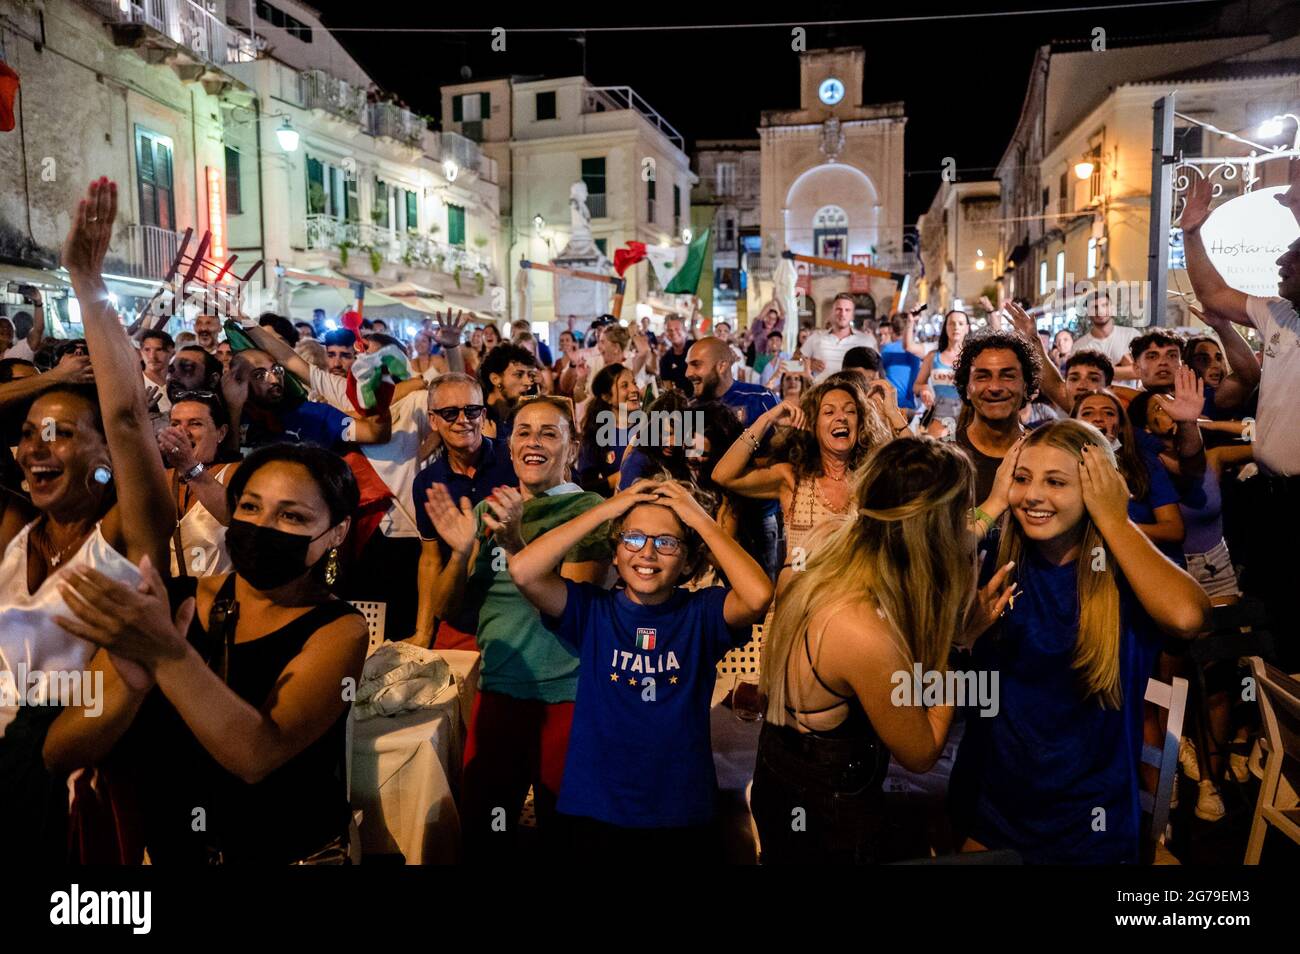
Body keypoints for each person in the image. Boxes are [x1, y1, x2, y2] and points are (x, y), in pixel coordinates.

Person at [46, 443, 368, 864]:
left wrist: (169, 658)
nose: (263, 526)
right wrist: (129, 687)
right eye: (250, 507)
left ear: (337, 532)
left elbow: (256, 755)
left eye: (292, 516)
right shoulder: (170, 603)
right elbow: (60, 751)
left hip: (293, 855)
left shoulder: (340, 629)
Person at [1, 178, 174, 855]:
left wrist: (86, 279)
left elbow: (129, 416)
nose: (40, 448)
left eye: (65, 434)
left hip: (83, 777)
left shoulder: (129, 535)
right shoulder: (14, 530)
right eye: (31, 433)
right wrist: (46, 382)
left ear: (105, 454)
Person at [949, 420, 1208, 863]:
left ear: (1095, 489)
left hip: (1090, 823)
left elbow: (1188, 617)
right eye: (1023, 478)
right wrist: (993, 503)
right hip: (992, 809)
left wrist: (1115, 520)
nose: (1032, 496)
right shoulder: (997, 562)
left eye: (1056, 482)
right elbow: (914, 562)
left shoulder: (1122, 577)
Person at [751, 438, 1004, 863]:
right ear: (932, 526)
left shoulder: (827, 542)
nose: (966, 526)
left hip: (781, 778)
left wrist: (996, 504)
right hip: (828, 819)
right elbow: (921, 753)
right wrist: (957, 645)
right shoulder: (860, 629)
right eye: (960, 513)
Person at [507, 476, 772, 859]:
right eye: (633, 539)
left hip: (679, 808)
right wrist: (608, 509)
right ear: (615, 553)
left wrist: (699, 519)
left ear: (687, 561)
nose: (647, 552)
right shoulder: (592, 611)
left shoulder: (702, 614)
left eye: (666, 543)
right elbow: (524, 572)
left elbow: (759, 594)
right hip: (597, 806)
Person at [421, 396, 613, 858]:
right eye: (523, 432)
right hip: (498, 690)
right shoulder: (490, 509)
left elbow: (571, 607)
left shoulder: (590, 510)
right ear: (508, 448)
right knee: (484, 834)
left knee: (565, 836)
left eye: (549, 433)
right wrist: (462, 553)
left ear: (572, 448)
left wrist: (515, 542)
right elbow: (447, 608)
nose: (534, 442)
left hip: (568, 696)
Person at [714, 373, 896, 604]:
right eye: (829, 412)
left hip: (853, 608)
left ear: (861, 423)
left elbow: (927, 481)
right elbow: (723, 475)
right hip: (799, 608)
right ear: (813, 425)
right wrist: (766, 419)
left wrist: (892, 414)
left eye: (850, 411)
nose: (841, 418)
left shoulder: (873, 480)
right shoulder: (793, 478)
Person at [409, 372, 517, 650]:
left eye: (471, 410)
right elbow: (430, 560)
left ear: (482, 414)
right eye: (450, 413)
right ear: (433, 420)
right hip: (461, 615)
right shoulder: (427, 482)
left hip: (517, 613)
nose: (462, 420)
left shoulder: (515, 462)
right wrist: (423, 633)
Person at [685, 336, 781, 577]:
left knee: (763, 588)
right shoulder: (691, 408)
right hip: (709, 520)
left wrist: (735, 469)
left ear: (722, 365)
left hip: (758, 518)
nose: (688, 372)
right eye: (688, 365)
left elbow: (780, 457)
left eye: (696, 364)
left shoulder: (760, 400)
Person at [1071, 390, 1185, 561]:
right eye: (1087, 413)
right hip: (1096, 569)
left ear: (1122, 426)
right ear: (1073, 424)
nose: (1098, 418)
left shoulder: (1145, 463)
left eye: (1108, 413)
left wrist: (1115, 528)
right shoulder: (1062, 467)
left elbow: (1174, 530)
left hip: (1149, 567)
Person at [951, 328, 1041, 502]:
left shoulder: (1047, 452)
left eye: (1007, 376)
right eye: (982, 377)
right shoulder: (946, 457)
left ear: (1025, 386)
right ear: (967, 388)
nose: (995, 387)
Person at [158, 392, 240, 577]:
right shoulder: (158, 479)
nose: (182, 432)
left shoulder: (237, 474)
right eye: (175, 424)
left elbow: (238, 522)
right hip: (169, 602)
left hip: (217, 599)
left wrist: (189, 467)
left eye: (195, 424)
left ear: (221, 433)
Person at [575, 363, 641, 496]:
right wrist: (621, 477)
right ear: (607, 397)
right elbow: (587, 488)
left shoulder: (648, 427)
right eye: (624, 386)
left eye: (634, 383)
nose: (634, 389)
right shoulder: (596, 436)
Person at [914, 309, 968, 437]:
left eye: (960, 324)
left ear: (967, 328)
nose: (956, 327)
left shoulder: (974, 358)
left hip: (967, 418)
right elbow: (917, 385)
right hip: (939, 417)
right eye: (951, 323)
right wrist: (924, 389)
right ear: (945, 327)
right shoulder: (933, 357)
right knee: (939, 455)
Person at [801, 293, 877, 380]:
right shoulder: (816, 337)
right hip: (821, 392)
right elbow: (795, 362)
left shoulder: (866, 341)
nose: (843, 314)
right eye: (839, 309)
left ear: (852, 315)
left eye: (847, 310)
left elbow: (877, 372)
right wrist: (809, 364)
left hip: (854, 392)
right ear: (832, 313)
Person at [1069, 290, 1139, 383]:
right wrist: (1125, 369)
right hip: (1096, 397)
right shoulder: (1079, 347)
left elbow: (1141, 372)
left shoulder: (1131, 335)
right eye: (1095, 307)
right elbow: (1080, 379)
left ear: (1112, 308)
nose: (1100, 311)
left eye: (1105, 305)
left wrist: (1096, 371)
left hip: (1130, 396)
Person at [478, 342, 539, 436]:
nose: (528, 382)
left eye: (529, 375)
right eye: (519, 374)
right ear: (495, 379)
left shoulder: (523, 414)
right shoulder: (477, 419)